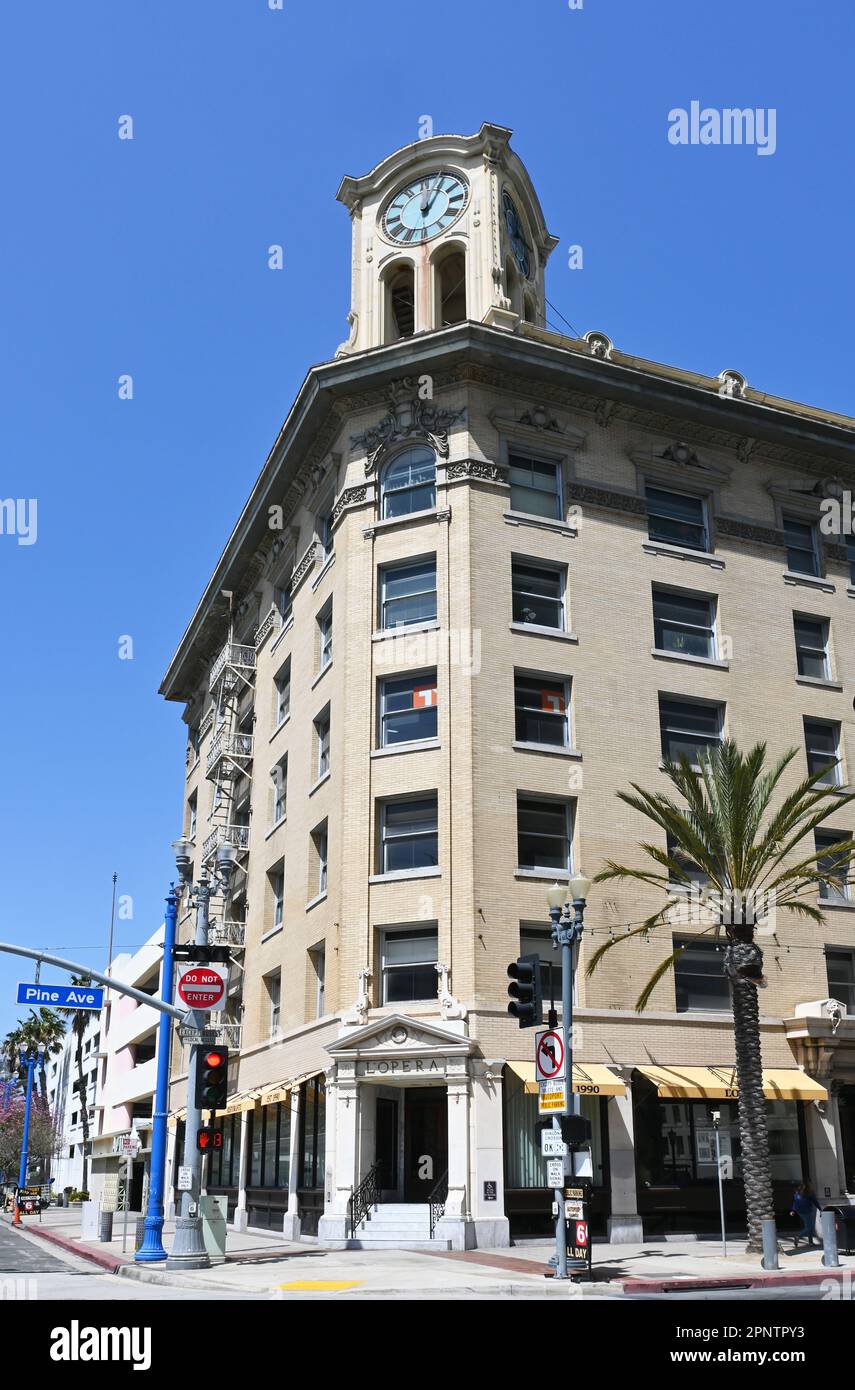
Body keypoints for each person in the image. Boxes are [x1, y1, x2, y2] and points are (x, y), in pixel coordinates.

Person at [790, 1181, 820, 1248]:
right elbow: (815, 1202)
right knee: (809, 1227)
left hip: (800, 1212)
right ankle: (798, 1236)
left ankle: (810, 1242)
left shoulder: (797, 1193)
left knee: (808, 1226)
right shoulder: (809, 1193)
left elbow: (795, 1203)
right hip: (807, 1211)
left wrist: (793, 1210)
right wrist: (820, 1209)